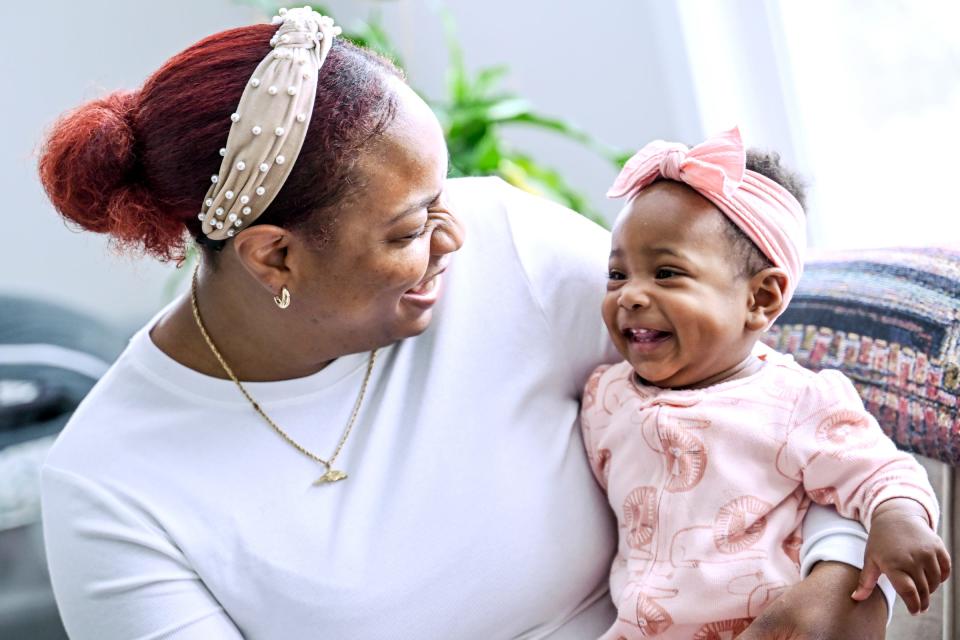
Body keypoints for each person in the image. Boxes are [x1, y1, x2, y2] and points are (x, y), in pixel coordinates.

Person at [38, 8, 890, 639]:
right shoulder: (114, 487)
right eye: (410, 230)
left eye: (443, 194)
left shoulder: (508, 245)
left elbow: (767, 410)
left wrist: (834, 565)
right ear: (273, 258)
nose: (455, 237)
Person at [581, 128, 951, 639]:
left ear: (762, 298)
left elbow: (879, 471)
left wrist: (899, 517)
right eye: (618, 275)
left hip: (769, 625)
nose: (631, 296)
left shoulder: (797, 399)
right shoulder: (605, 395)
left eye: (666, 273)